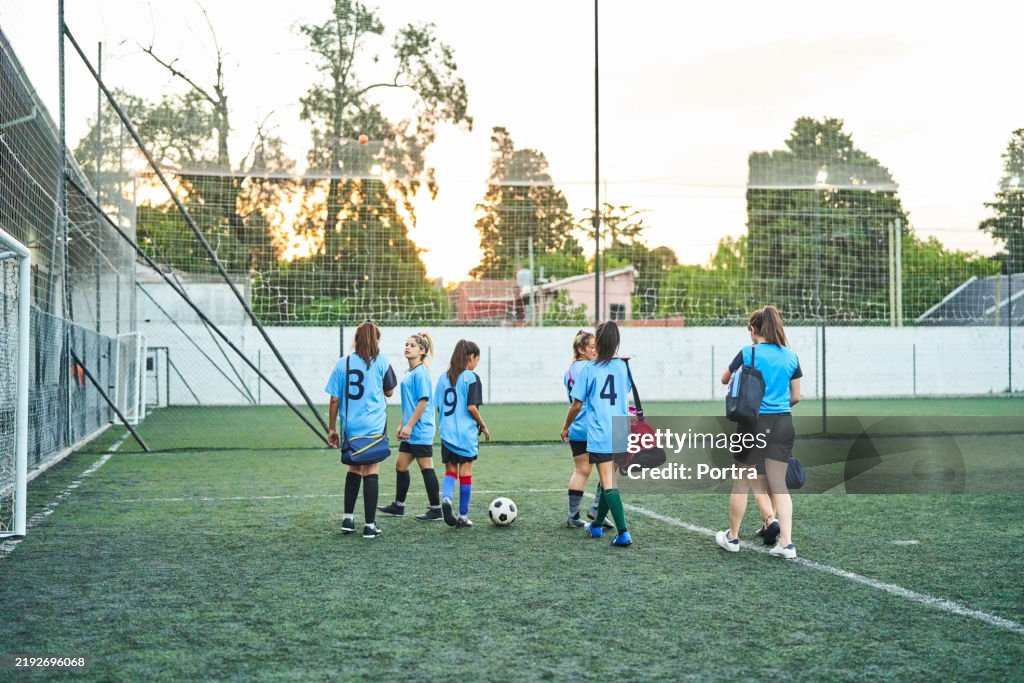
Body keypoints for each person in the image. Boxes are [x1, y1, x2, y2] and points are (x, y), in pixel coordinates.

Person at [715, 305, 802, 559]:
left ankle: (732, 537)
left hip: (753, 423)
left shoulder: (748, 352)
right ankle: (786, 544)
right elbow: (796, 396)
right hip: (783, 422)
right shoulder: (791, 357)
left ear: (754, 329)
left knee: (742, 481)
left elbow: (724, 379)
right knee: (778, 485)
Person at [561, 321, 633, 547]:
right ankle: (596, 525)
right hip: (621, 430)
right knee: (607, 481)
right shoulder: (622, 366)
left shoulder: (590, 369)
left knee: (608, 484)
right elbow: (626, 389)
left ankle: (623, 533)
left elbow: (576, 404)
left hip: (601, 432)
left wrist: (565, 427)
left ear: (599, 342)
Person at [325, 320, 398, 540]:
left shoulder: (343, 363)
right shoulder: (383, 362)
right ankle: (369, 525)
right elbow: (389, 393)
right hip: (374, 426)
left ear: (356, 339)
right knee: (371, 469)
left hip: (351, 427)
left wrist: (332, 428)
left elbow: (334, 399)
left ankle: (348, 519)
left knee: (354, 468)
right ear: (376, 340)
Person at [377, 332, 444, 521]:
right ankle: (399, 506)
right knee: (401, 466)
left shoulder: (421, 372)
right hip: (410, 428)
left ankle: (436, 509)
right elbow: (410, 403)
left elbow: (423, 402)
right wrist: (402, 425)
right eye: (406, 344)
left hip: (420, 429)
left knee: (426, 466)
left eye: (412, 345)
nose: (407, 347)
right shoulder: (410, 372)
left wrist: (410, 426)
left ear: (422, 351)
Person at [434, 340, 490, 528]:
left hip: (447, 433)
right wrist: (483, 425)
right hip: (465, 434)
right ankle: (463, 516)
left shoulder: (443, 377)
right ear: (471, 358)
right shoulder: (472, 377)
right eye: (477, 359)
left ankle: (447, 499)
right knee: (465, 472)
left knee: (450, 471)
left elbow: (438, 407)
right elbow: (471, 407)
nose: (477, 363)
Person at [563, 330, 600, 528]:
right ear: (580, 349)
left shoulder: (568, 371)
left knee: (581, 471)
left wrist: (566, 427)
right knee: (612, 469)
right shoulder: (591, 369)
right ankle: (597, 508)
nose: (596, 350)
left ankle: (573, 517)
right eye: (592, 347)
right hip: (595, 427)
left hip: (577, 429)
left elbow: (574, 402)